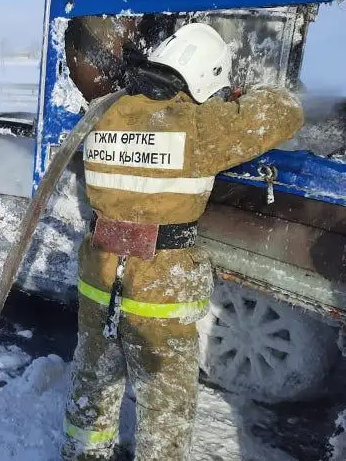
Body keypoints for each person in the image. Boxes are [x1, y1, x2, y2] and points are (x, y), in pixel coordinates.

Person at [62, 22, 304, 461]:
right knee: (165, 405)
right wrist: (240, 96)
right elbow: (285, 111)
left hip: (99, 277)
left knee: (93, 377)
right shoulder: (201, 126)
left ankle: (82, 454)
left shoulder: (101, 112)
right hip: (161, 290)